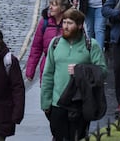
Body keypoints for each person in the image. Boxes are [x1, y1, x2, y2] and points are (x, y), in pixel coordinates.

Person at [41, 8, 107, 141]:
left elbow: (103, 72)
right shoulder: (55, 44)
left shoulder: (91, 45)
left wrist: (80, 70)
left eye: (70, 23)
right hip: (57, 103)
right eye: (64, 22)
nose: (65, 26)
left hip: (80, 103)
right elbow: (48, 74)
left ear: (80, 25)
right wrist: (45, 102)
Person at [26, 0, 71, 83]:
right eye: (50, 4)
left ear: (62, 8)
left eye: (54, 5)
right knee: (47, 95)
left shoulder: (71, 22)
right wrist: (30, 71)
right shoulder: (44, 22)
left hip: (66, 68)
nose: (50, 7)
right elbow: (36, 48)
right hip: (47, 67)